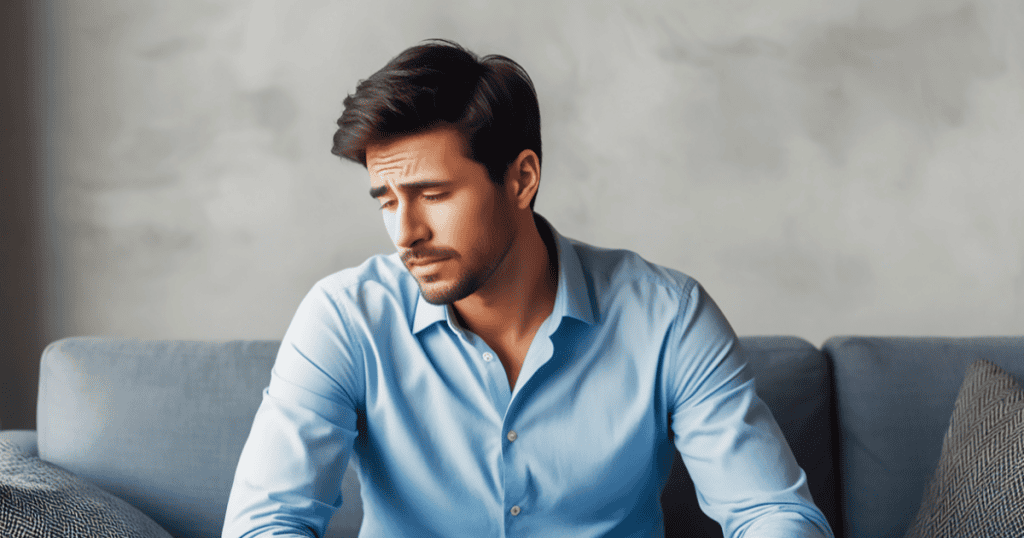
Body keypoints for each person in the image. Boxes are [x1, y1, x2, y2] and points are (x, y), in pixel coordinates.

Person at [223, 39, 834, 537]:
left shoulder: (668, 316)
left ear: (521, 179)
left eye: (433, 194)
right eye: (387, 200)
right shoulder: (345, 317)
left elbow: (771, 513)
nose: (406, 233)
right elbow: (266, 524)